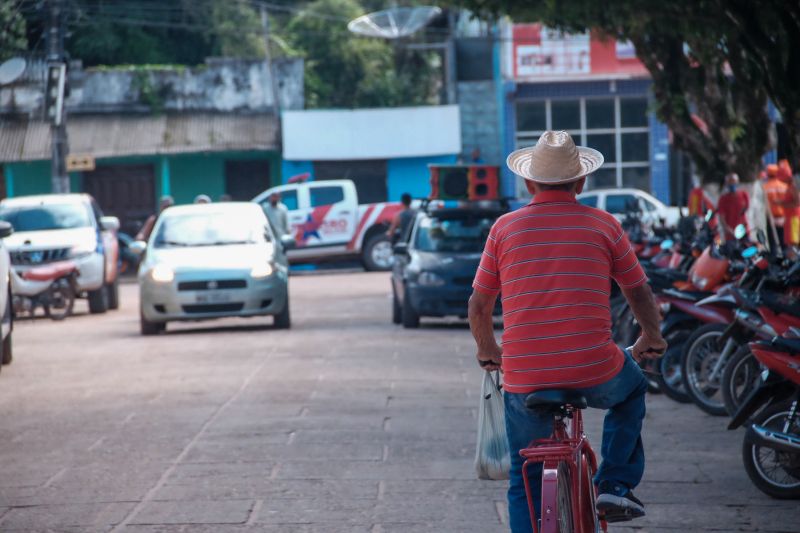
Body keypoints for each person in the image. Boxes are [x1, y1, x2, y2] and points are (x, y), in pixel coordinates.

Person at [468, 131, 666, 532]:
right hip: (595, 368)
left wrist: (489, 349)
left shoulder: (504, 229)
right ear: (581, 182)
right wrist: (651, 337)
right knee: (632, 389)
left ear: (528, 182)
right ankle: (614, 483)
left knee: (523, 472)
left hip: (526, 376)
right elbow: (639, 291)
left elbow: (478, 304)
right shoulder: (604, 225)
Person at [716, 173, 749, 242]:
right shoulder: (723, 199)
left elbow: (745, 209)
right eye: (730, 182)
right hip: (731, 236)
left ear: (737, 182)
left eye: (734, 181)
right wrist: (729, 230)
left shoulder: (744, 195)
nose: (732, 184)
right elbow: (722, 218)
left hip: (744, 232)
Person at [763, 163, 788, 245]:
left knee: (773, 244)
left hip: (771, 219)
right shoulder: (784, 187)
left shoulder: (764, 187)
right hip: (783, 218)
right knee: (784, 243)